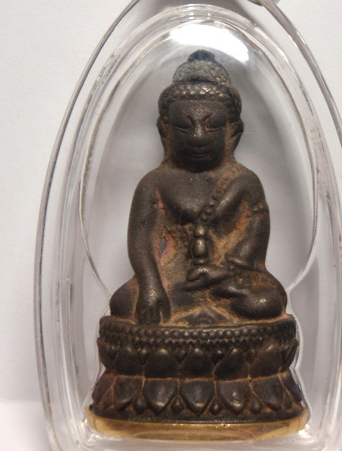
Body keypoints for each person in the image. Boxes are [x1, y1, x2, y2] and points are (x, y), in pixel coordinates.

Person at [109, 50, 287, 326]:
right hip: (174, 285)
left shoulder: (244, 182)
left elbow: (253, 240)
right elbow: (141, 241)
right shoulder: (154, 183)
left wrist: (224, 273)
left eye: (211, 126)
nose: (197, 137)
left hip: (226, 283)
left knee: (266, 302)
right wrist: (151, 285)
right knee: (123, 303)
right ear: (165, 130)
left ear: (233, 131)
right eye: (183, 126)